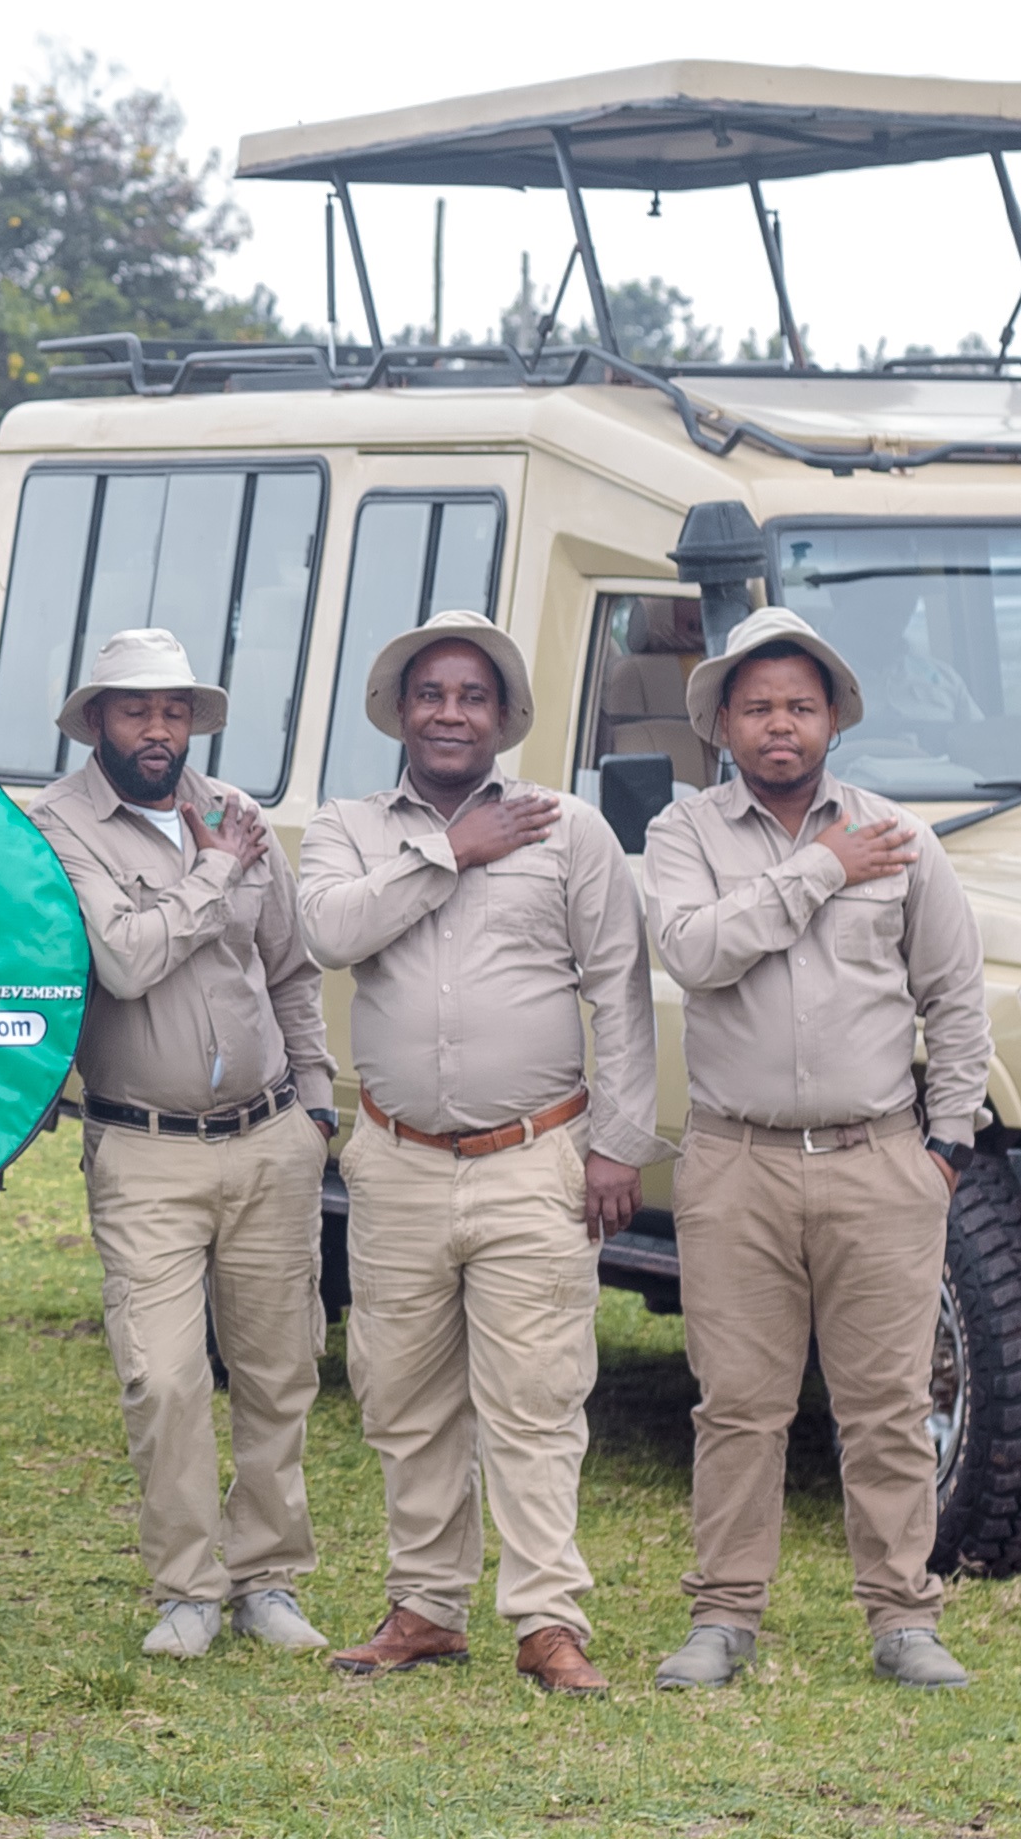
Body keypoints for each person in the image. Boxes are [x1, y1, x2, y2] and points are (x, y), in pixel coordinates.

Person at [290, 612, 659, 1697]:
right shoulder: (348, 827)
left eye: (473, 695)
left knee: (537, 1396)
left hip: (535, 1155)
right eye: (431, 693)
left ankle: (547, 1621)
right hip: (398, 1160)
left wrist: (618, 1144)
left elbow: (620, 991)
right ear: (400, 711)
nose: (450, 711)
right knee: (402, 1395)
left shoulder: (568, 829)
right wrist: (447, 853)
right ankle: (425, 1608)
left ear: (503, 716)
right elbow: (328, 932)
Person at [639, 608, 994, 1693]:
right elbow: (695, 951)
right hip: (734, 1160)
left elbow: (956, 998)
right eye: (758, 708)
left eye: (800, 705)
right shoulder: (684, 834)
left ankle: (903, 1618)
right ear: (723, 724)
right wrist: (821, 873)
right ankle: (724, 1618)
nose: (780, 725)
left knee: (886, 1401)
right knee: (737, 1402)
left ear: (833, 715)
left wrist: (945, 1144)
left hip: (879, 1157)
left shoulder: (902, 837)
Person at [24, 628, 338, 1661]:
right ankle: (186, 1588)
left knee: (277, 1368)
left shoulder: (240, 814)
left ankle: (268, 1577)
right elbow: (121, 957)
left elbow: (291, 970)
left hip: (268, 1135)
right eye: (134, 709)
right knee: (162, 1375)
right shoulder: (57, 826)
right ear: (96, 720)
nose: (157, 730)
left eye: (173, 711)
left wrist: (317, 1109)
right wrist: (208, 876)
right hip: (143, 1145)